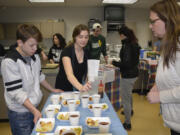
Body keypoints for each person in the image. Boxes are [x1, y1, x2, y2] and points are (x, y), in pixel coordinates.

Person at [1, 24, 63, 135]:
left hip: (33, 107)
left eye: (36, 45)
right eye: (31, 45)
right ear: (20, 43)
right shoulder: (10, 62)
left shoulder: (34, 57)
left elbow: (39, 77)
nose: (35, 48)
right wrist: (35, 111)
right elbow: (16, 93)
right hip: (20, 114)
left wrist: (53, 90)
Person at [147, 0, 180, 134]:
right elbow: (171, 75)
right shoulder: (168, 46)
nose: (150, 26)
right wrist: (157, 85)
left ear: (168, 20)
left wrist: (161, 96)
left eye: (153, 21)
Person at [111, 25, 141, 130]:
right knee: (129, 94)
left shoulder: (127, 45)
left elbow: (126, 63)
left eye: (119, 35)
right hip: (133, 74)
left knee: (125, 99)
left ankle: (127, 123)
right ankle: (130, 110)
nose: (119, 37)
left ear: (122, 35)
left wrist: (114, 63)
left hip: (128, 75)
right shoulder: (134, 43)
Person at [55, 24, 91, 92]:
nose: (84, 40)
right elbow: (69, 75)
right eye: (80, 37)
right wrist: (81, 87)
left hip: (78, 88)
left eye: (86, 37)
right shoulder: (66, 52)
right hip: (64, 88)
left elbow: (87, 74)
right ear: (75, 37)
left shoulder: (87, 53)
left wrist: (87, 85)